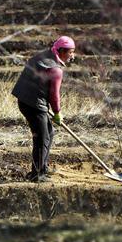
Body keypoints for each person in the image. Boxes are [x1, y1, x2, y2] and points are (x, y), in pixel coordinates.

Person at [11, 35, 75, 182]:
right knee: (42, 138)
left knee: (49, 133)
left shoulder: (43, 56)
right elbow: (54, 95)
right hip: (33, 105)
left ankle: (42, 168)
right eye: (70, 52)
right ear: (61, 51)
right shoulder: (55, 70)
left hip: (25, 99)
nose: (72, 56)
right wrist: (57, 112)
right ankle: (37, 175)